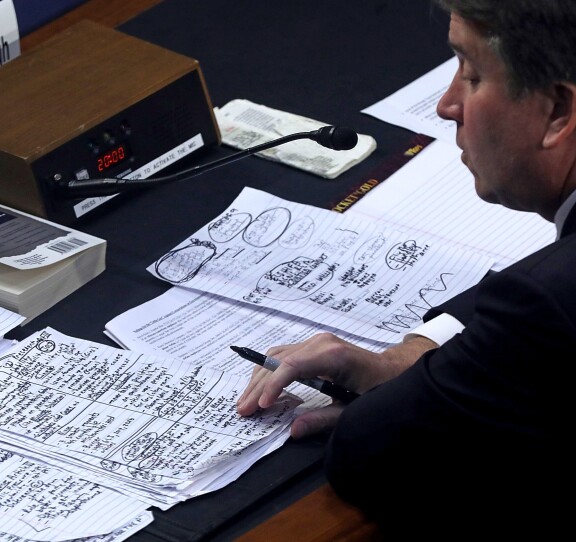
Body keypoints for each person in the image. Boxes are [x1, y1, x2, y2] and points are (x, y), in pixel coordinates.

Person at [236, 0, 575, 538]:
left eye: (472, 73)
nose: (446, 105)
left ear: (558, 110)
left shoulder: (543, 308)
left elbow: (372, 457)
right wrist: (417, 352)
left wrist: (421, 387)